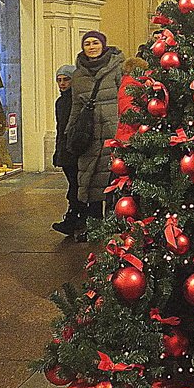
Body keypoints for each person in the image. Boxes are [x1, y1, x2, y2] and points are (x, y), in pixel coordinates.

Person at [67, 32, 124, 231]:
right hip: (88, 134)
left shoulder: (117, 69)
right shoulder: (78, 75)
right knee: (90, 180)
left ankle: (112, 223)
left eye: (95, 43)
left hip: (112, 131)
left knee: (111, 178)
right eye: (87, 44)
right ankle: (94, 224)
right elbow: (75, 105)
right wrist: (72, 130)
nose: (91, 47)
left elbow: (124, 100)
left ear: (103, 45)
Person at [51, 65, 83, 238]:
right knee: (74, 185)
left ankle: (74, 219)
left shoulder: (75, 101)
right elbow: (60, 128)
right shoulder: (60, 102)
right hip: (66, 150)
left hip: (74, 150)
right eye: (59, 80)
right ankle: (75, 218)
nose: (62, 83)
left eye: (66, 79)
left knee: (76, 186)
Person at [116, 56, 148, 141]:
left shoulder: (133, 85)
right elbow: (129, 113)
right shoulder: (129, 86)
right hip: (130, 135)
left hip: (131, 134)